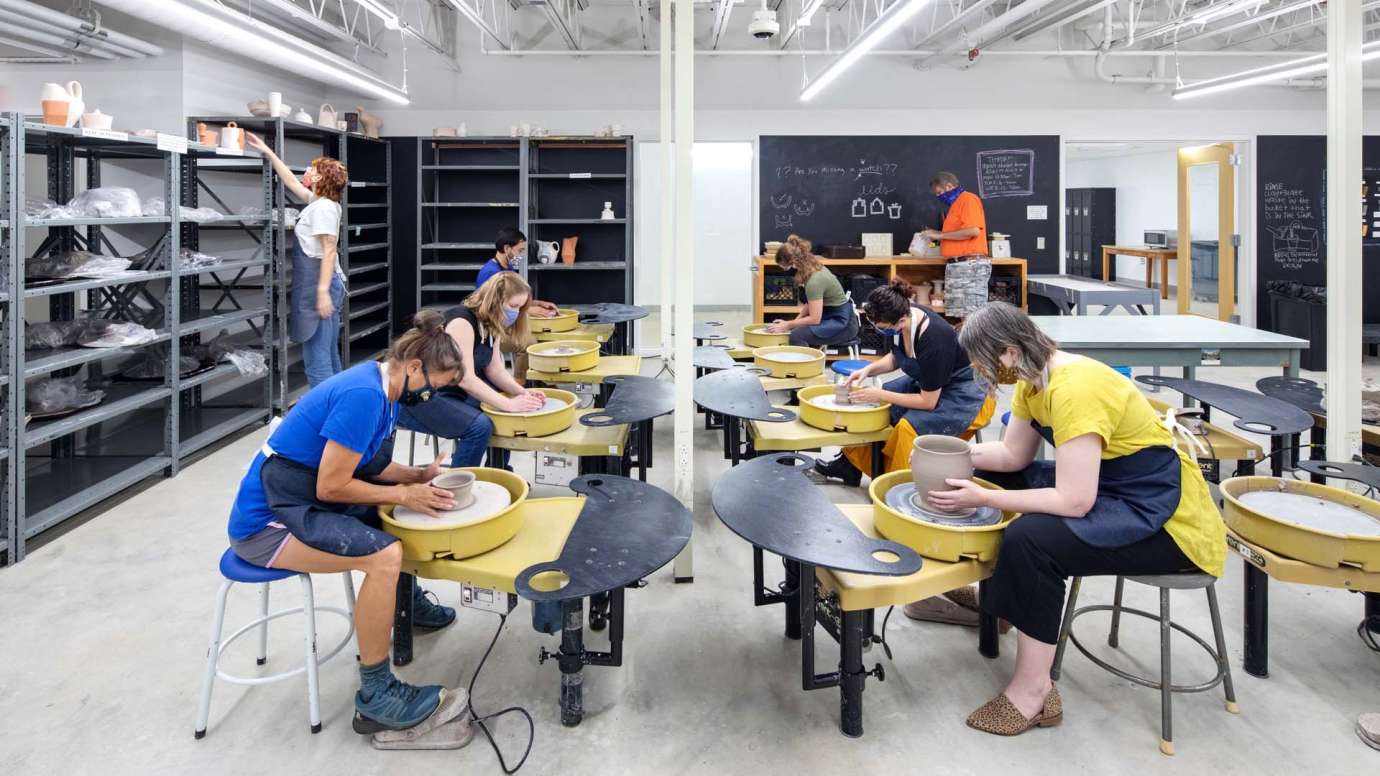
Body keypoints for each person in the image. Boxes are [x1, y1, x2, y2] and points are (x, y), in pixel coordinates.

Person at [926, 302, 1224, 737]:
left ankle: (1033, 693)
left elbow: (1074, 500)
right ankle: (1004, 605)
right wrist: (957, 455)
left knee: (1031, 539)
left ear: (1008, 352)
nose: (980, 372)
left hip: (1162, 515)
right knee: (983, 474)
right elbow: (1011, 456)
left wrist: (979, 495)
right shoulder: (1034, 379)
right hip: (1108, 485)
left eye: (983, 363)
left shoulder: (1075, 388)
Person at [226, 311, 466, 734]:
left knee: (397, 519)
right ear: (414, 368)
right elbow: (332, 486)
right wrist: (403, 494)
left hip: (303, 499)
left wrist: (417, 476)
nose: (432, 395)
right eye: (435, 386)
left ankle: (406, 608)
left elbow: (368, 464)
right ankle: (376, 694)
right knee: (384, 556)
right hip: (266, 524)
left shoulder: (385, 389)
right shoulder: (364, 396)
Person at [814, 278, 989, 489]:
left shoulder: (935, 340)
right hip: (932, 377)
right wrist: (868, 370)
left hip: (964, 389)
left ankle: (897, 485)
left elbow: (928, 402)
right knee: (878, 407)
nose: (882, 332)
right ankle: (849, 466)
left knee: (908, 425)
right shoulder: (901, 313)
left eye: (885, 329)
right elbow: (897, 356)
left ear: (902, 321)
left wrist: (880, 394)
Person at [397, 272, 545, 469]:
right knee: (479, 426)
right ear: (495, 300)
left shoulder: (492, 324)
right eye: (513, 306)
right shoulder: (462, 322)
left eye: (520, 308)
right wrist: (509, 404)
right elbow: (465, 378)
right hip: (421, 395)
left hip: (452, 393)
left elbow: (495, 370)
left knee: (502, 410)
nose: (516, 313)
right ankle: (460, 485)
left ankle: (499, 472)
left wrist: (523, 394)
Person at [245, 132, 347, 387]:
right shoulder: (321, 202)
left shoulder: (323, 208)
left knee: (317, 356)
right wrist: (269, 153)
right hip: (320, 283)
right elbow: (291, 182)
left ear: (323, 178)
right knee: (327, 351)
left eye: (313, 170)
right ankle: (338, 403)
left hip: (319, 284)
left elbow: (329, 250)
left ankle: (324, 412)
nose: (308, 173)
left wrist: (322, 292)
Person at [477, 227, 559, 381]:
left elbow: (513, 300)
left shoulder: (507, 267)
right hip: (490, 330)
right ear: (507, 248)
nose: (521, 255)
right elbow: (492, 307)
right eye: (520, 250)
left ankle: (540, 381)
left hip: (504, 325)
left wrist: (538, 303)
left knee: (537, 334)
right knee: (528, 344)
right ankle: (520, 387)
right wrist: (528, 310)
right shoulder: (490, 273)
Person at [765, 235, 861, 349]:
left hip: (844, 325)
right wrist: (794, 322)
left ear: (793, 262)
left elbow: (815, 319)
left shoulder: (815, 280)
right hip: (829, 316)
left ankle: (804, 365)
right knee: (795, 329)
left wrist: (789, 324)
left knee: (796, 336)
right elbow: (811, 303)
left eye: (786, 267)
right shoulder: (811, 267)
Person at [915, 171, 987, 258]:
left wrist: (940, 235)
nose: (938, 196)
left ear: (949, 186)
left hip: (969, 262)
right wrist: (936, 233)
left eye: (939, 192)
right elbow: (955, 234)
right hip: (958, 262)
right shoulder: (955, 205)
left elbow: (973, 231)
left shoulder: (968, 199)